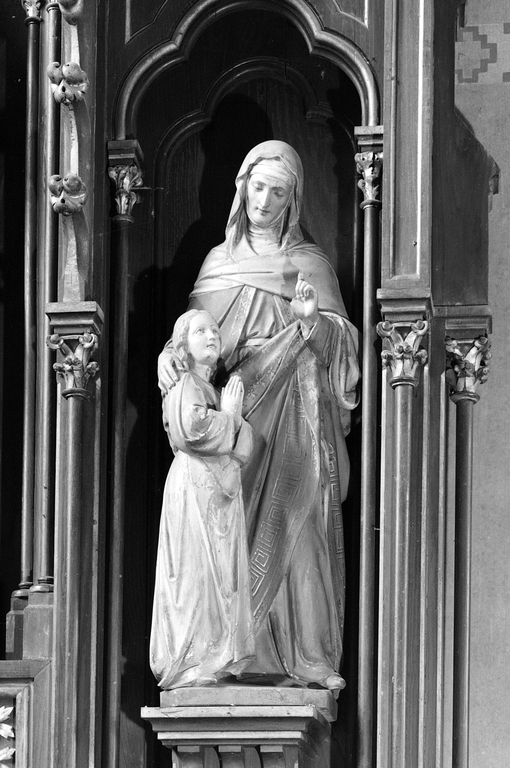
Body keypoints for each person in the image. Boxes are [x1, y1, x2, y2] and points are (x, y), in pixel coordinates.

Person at [158, 141, 360, 692]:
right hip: (243, 420)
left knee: (301, 538)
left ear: (293, 200)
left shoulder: (310, 264)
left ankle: (306, 657)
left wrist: (313, 322)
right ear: (241, 185)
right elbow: (198, 341)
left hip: (300, 415)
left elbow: (345, 349)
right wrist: (168, 356)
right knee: (231, 538)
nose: (264, 201)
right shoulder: (217, 265)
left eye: (278, 191)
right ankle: (233, 656)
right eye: (257, 185)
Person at [150, 309, 255, 689]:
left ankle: (212, 658)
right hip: (194, 488)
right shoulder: (183, 382)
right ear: (183, 344)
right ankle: (191, 662)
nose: (211, 335)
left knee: (219, 577)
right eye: (200, 332)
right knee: (195, 576)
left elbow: (245, 448)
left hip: (217, 492)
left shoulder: (211, 387)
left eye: (214, 330)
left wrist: (233, 422)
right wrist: (230, 419)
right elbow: (190, 429)